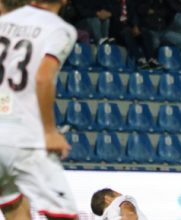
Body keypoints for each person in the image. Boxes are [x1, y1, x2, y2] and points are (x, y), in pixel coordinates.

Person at [0, 1, 78, 220]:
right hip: (24, 137)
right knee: (63, 215)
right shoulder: (59, 28)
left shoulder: (3, 23)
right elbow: (43, 77)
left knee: (12, 206)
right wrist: (50, 132)